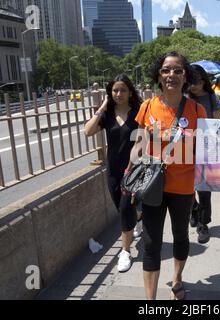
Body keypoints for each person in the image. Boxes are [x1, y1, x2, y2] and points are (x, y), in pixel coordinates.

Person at [128, 51, 220, 300]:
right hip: (152, 186)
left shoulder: (197, 110)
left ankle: (177, 280)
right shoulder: (147, 107)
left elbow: (213, 150)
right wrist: (131, 178)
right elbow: (138, 145)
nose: (172, 75)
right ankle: (150, 300)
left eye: (178, 70)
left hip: (184, 187)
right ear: (158, 75)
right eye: (166, 70)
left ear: (185, 76)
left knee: (180, 236)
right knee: (151, 243)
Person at [84, 74, 143, 273]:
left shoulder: (138, 112)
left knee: (125, 209)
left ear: (130, 92)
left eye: (123, 90)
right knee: (122, 207)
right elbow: (88, 131)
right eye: (115, 90)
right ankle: (139, 219)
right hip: (113, 169)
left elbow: (143, 140)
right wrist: (101, 108)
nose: (118, 94)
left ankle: (125, 252)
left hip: (134, 168)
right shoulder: (107, 114)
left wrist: (135, 165)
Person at [187, 64, 220, 244]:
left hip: (207, 148)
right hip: (184, 149)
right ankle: (193, 209)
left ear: (203, 81)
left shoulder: (212, 98)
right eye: (191, 81)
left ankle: (203, 224)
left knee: (204, 190)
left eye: (197, 81)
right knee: (187, 188)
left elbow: (218, 123)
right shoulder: (183, 98)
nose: (194, 85)